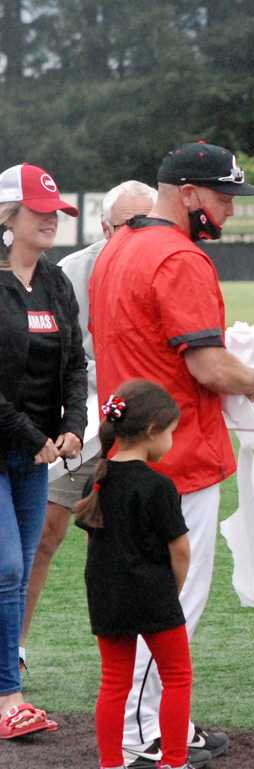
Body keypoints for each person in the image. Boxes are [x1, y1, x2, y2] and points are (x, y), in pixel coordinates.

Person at [89, 142, 254, 768]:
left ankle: (167, 723)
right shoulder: (178, 257)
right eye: (222, 197)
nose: (229, 211)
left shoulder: (117, 248)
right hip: (175, 459)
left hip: (123, 457)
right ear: (188, 194)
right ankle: (145, 736)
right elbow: (209, 366)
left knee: (147, 603)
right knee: (167, 607)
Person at [19, 181, 157, 673]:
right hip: (84, 420)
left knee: (140, 544)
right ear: (104, 228)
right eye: (128, 224)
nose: (141, 232)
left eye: (149, 221)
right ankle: (13, 650)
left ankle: (142, 672)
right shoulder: (72, 272)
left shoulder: (166, 264)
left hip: (142, 429)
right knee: (44, 535)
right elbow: (65, 358)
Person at [75, 380, 209, 769]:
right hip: (154, 595)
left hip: (107, 596)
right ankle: (175, 760)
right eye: (171, 432)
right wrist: (174, 590)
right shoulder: (159, 486)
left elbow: (93, 547)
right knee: (177, 676)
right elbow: (180, 550)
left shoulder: (97, 478)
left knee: (114, 683)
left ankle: (112, 763)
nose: (171, 440)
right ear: (152, 430)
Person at [0, 163, 86, 738]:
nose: (50, 218)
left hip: (35, 452)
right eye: (39, 209)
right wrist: (38, 440)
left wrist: (73, 426)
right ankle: (10, 696)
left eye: (55, 210)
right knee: (7, 568)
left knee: (18, 568)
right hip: (20, 445)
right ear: (8, 216)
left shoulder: (55, 281)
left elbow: (76, 362)